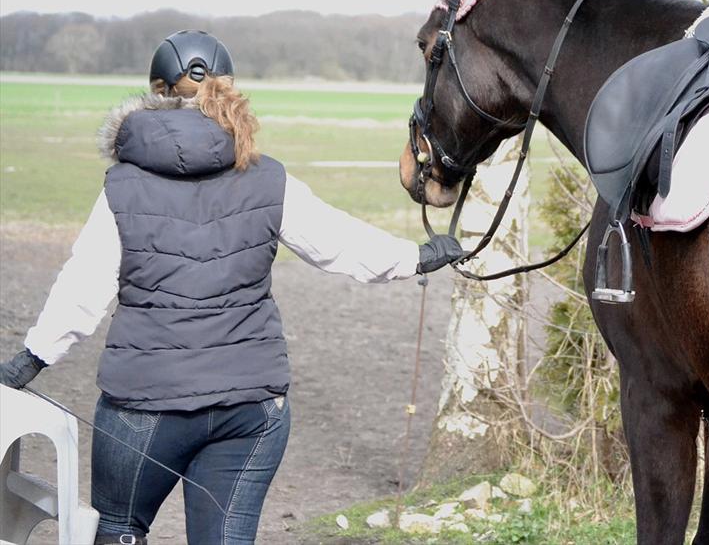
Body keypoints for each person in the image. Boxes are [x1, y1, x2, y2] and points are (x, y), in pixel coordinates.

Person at [0, 30, 465, 545]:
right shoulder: (268, 178)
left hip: (145, 406)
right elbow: (339, 243)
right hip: (252, 409)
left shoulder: (121, 185)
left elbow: (83, 288)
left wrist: (32, 359)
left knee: (119, 530)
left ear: (155, 91)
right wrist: (418, 257)